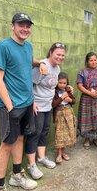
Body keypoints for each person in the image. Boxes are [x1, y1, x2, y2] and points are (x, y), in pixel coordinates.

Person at [0, 13, 47, 191]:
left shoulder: (28, 46)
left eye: (28, 26)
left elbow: (28, 62)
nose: (25, 29)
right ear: (12, 26)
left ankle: (17, 176)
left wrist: (40, 64)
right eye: (21, 25)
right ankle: (0, 186)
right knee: (7, 144)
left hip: (27, 103)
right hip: (12, 106)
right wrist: (10, 107)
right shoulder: (3, 47)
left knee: (20, 138)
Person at [25, 42, 66, 180]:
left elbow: (51, 87)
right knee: (34, 133)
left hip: (48, 106)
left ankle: (41, 158)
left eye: (62, 55)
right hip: (37, 105)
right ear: (51, 53)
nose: (60, 57)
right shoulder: (42, 65)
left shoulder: (57, 68)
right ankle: (31, 165)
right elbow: (29, 84)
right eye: (58, 54)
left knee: (44, 131)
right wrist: (32, 102)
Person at [77, 52, 97, 150]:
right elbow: (80, 85)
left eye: (95, 60)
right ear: (87, 62)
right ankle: (87, 138)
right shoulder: (82, 72)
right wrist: (89, 93)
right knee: (86, 118)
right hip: (87, 98)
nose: (93, 62)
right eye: (91, 60)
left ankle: (96, 138)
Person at [52, 72, 76, 164]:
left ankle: (63, 152)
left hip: (68, 113)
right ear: (56, 82)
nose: (62, 85)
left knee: (66, 134)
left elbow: (74, 101)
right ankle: (59, 153)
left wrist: (70, 100)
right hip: (59, 115)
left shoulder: (68, 90)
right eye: (60, 83)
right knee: (59, 134)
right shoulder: (54, 91)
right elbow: (53, 104)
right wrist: (62, 97)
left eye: (64, 83)